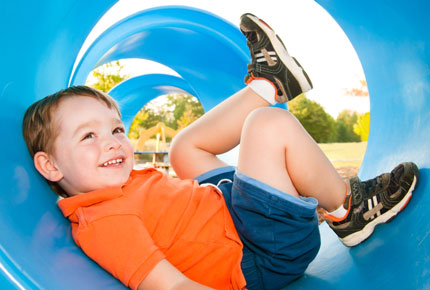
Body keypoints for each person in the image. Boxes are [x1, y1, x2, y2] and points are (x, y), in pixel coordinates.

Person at [22, 13, 419, 290]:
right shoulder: (105, 223)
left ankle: (269, 87)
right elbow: (171, 285)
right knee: (267, 126)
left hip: (230, 213)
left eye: (116, 129)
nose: (112, 141)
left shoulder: (115, 189)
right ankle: (348, 209)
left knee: (182, 150)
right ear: (49, 165)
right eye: (88, 137)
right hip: (259, 254)